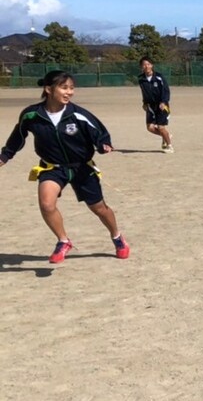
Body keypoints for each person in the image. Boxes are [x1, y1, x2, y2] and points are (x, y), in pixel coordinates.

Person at [0, 70, 130, 263]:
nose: (69, 92)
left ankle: (117, 237)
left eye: (71, 88)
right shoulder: (31, 115)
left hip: (82, 169)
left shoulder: (78, 114)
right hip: (52, 167)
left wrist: (104, 145)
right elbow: (18, 136)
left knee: (99, 208)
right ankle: (63, 241)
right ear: (48, 89)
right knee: (46, 204)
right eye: (64, 88)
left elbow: (100, 132)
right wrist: (5, 156)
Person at [138, 56, 173, 153]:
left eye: (148, 64)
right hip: (150, 106)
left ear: (152, 65)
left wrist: (163, 102)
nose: (146, 66)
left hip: (162, 105)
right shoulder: (141, 79)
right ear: (141, 66)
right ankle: (166, 136)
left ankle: (169, 146)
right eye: (144, 64)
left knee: (161, 127)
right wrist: (144, 103)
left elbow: (166, 90)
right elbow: (144, 92)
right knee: (150, 127)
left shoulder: (159, 77)